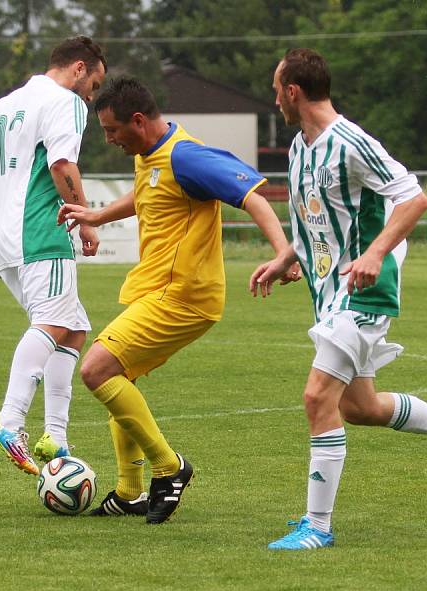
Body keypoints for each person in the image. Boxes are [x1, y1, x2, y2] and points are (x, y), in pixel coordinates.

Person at [249, 48, 427, 551]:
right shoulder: (300, 148)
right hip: (328, 294)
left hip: (364, 291)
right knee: (359, 407)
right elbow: (313, 217)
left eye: (277, 89)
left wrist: (374, 253)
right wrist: (286, 257)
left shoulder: (352, 142)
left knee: (317, 398)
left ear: (293, 90)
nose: (274, 98)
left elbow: (415, 197)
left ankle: (317, 526)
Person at [57, 76, 297, 524]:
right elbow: (147, 194)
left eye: (112, 130)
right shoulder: (150, 156)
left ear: (138, 120)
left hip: (184, 296)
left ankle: (169, 468)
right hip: (158, 291)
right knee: (118, 377)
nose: (108, 140)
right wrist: (97, 215)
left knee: (96, 369)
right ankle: (130, 492)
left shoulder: (186, 156)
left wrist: (284, 254)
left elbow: (254, 199)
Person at [0, 36, 107, 476]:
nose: (91, 97)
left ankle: (55, 434)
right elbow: (61, 165)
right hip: (42, 234)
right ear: (78, 69)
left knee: (72, 329)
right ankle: (10, 420)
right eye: (93, 85)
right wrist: (87, 219)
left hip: (4, 240)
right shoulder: (65, 102)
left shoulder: (6, 105)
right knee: (53, 323)